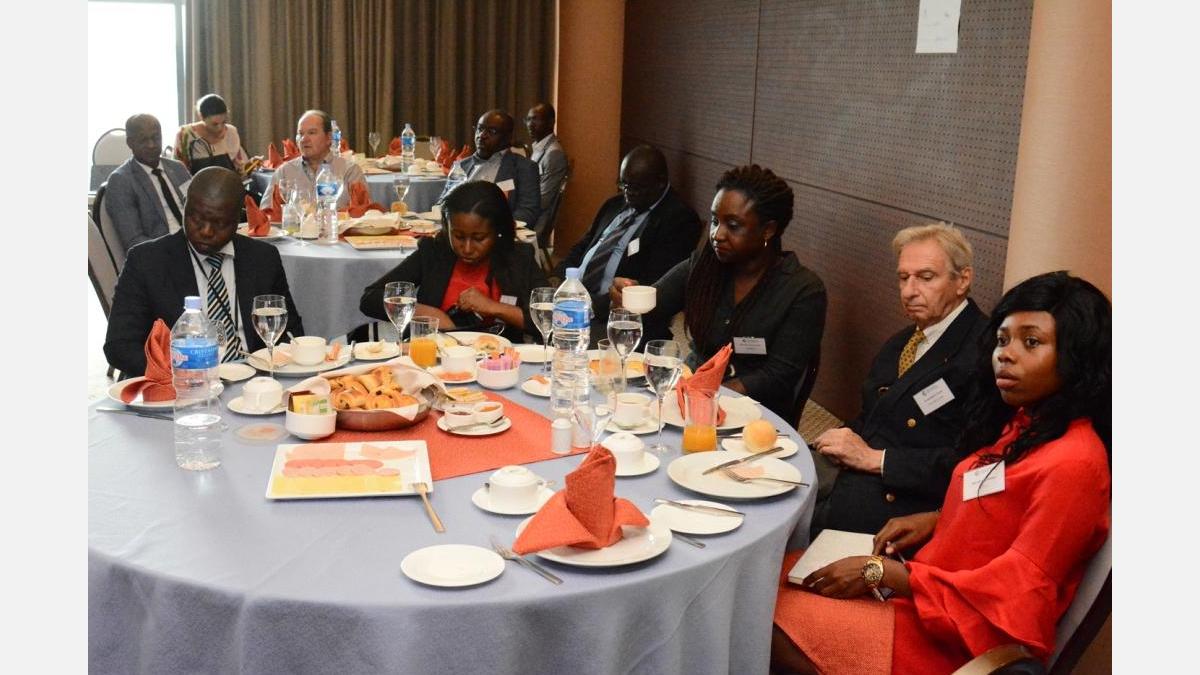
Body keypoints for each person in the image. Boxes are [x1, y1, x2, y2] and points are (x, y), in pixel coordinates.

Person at [771, 271, 1112, 675]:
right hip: (927, 593)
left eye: (1031, 342)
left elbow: (1015, 597)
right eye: (1002, 340)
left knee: (762, 613)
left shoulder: (1074, 462)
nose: (1006, 354)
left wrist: (883, 573)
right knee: (770, 574)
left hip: (957, 639)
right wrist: (937, 519)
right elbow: (1003, 505)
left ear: (1077, 355)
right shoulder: (1026, 425)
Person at [808, 223, 990, 538]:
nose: (909, 291)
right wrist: (840, 438)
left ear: (963, 280)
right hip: (854, 473)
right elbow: (874, 415)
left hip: (906, 505)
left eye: (926, 277)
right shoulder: (902, 342)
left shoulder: (983, 353)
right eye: (904, 278)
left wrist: (876, 460)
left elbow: (975, 464)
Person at [611, 164, 825, 423]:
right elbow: (655, 302)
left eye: (733, 226)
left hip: (755, 414)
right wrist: (629, 297)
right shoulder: (704, 266)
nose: (717, 235)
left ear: (768, 230)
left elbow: (779, 376)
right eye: (715, 221)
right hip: (690, 398)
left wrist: (711, 393)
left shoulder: (802, 290)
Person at [104, 167, 305, 376]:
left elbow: (290, 332)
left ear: (238, 218)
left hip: (254, 380)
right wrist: (179, 372)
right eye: (197, 219)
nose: (207, 231)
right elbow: (119, 346)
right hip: (179, 383)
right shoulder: (147, 261)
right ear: (185, 206)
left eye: (220, 223)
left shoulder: (263, 258)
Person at [360, 181, 549, 343]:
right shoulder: (434, 252)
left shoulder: (518, 258)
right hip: (436, 355)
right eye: (458, 236)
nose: (467, 248)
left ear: (498, 231)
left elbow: (552, 317)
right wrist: (429, 314)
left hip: (500, 360)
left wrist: (495, 308)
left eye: (479, 238)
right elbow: (371, 298)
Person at [560, 145, 702, 345]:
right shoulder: (613, 205)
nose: (628, 193)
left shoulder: (679, 219)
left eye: (636, 187)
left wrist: (589, 304)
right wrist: (561, 280)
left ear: (660, 182)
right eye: (624, 184)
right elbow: (582, 247)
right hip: (575, 298)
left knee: (564, 344)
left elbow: (655, 286)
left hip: (617, 319)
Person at [103, 113, 193, 254]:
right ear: (130, 143)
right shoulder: (121, 180)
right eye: (143, 140)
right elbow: (134, 241)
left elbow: (198, 208)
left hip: (197, 243)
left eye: (156, 138)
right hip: (164, 253)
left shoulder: (178, 168)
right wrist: (176, 251)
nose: (151, 145)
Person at [435, 110, 541, 226]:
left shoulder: (524, 168)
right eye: (479, 129)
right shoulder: (461, 165)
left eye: (491, 131)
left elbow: (528, 212)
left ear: (508, 137)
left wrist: (491, 228)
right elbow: (443, 204)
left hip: (498, 233)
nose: (482, 136)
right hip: (459, 230)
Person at [260, 109, 365, 210]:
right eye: (300, 134)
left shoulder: (349, 171)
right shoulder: (284, 172)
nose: (304, 139)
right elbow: (267, 213)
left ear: (329, 137)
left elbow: (364, 214)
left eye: (312, 133)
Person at [524, 102, 568, 247]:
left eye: (535, 119)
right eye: (528, 119)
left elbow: (543, 200)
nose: (530, 124)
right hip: (531, 212)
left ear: (550, 122)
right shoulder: (540, 148)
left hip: (536, 222)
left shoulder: (553, 153)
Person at [172, 94, 250, 174]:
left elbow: (240, 169)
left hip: (228, 181)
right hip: (196, 182)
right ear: (201, 117)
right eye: (215, 124)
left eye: (224, 122)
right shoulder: (185, 135)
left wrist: (249, 166)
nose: (220, 128)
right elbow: (178, 173)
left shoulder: (231, 132)